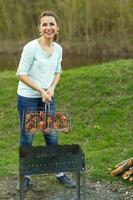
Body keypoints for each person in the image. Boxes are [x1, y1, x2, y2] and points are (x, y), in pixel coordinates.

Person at [16, 10, 76, 191]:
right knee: (27, 137)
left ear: (57, 28)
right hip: (28, 98)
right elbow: (21, 74)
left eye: (52, 24)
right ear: (39, 28)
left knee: (51, 134)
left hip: (48, 97)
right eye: (44, 24)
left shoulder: (58, 49)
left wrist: (51, 88)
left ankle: (59, 173)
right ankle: (24, 176)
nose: (48, 28)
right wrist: (40, 90)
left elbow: (58, 72)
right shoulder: (31, 48)